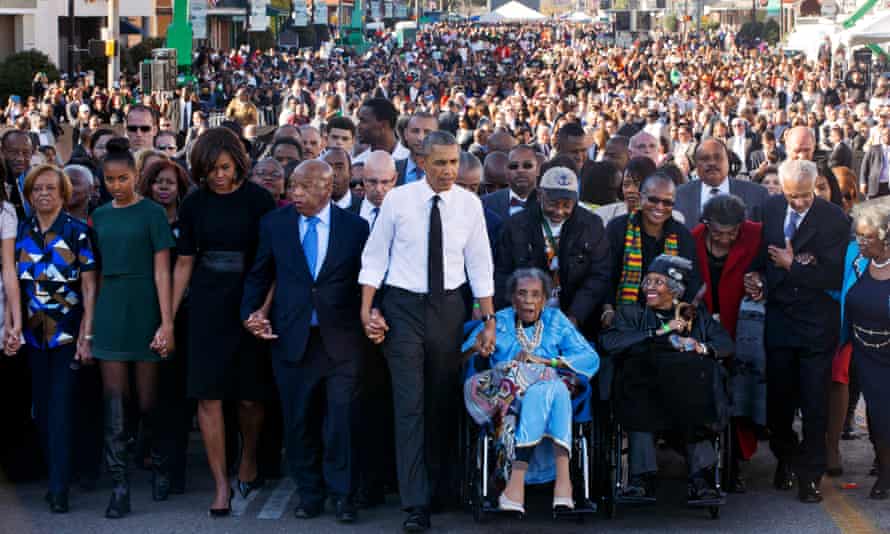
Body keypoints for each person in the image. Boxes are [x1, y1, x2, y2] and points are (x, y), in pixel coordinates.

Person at [358, 131, 496, 532]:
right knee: (409, 404)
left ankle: (440, 487)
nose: (448, 170)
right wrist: (368, 309)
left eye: (454, 162)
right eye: (440, 162)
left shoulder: (469, 205)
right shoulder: (399, 201)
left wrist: (488, 319)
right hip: (402, 308)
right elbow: (375, 257)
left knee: (441, 399)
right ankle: (414, 503)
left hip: (448, 309)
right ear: (421, 162)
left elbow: (480, 265)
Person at [242, 160, 370, 523]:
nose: (294, 193)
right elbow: (259, 274)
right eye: (292, 185)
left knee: (340, 422)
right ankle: (309, 493)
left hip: (341, 341)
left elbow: (368, 280)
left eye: (304, 187)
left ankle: (343, 495)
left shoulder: (355, 228)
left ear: (327, 188)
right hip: (291, 339)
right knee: (299, 423)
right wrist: (251, 313)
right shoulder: (274, 225)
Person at [171, 127, 276, 516]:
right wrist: (168, 319)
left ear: (238, 164)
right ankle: (220, 485)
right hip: (206, 304)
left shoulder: (260, 201)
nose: (218, 175)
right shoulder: (194, 204)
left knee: (250, 396)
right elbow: (183, 262)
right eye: (211, 169)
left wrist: (263, 309)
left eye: (225, 167)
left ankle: (248, 458)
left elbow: (272, 263)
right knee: (208, 395)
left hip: (249, 298)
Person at [744, 158, 849, 504]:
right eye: (792, 196)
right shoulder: (772, 208)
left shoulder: (834, 219)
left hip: (817, 324)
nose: (798, 202)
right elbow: (763, 256)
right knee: (779, 402)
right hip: (780, 321)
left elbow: (834, 277)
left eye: (804, 196)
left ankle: (811, 475)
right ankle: (786, 458)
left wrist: (792, 267)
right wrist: (758, 278)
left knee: (815, 403)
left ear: (816, 186)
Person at [463, 268, 599, 514]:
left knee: (549, 387)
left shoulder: (556, 320)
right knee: (552, 388)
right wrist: (478, 347)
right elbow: (466, 354)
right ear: (512, 298)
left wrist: (546, 362)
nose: (528, 300)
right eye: (522, 294)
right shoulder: (499, 322)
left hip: (549, 393)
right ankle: (563, 484)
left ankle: (515, 487)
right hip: (509, 398)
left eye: (535, 294)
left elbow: (589, 357)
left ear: (545, 299)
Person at [600, 255, 734, 502]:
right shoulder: (631, 314)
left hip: (687, 395)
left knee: (698, 395)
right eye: (647, 281)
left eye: (658, 282)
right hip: (645, 391)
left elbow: (725, 344)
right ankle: (641, 478)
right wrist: (659, 331)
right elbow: (611, 343)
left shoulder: (696, 316)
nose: (649, 286)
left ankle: (700, 478)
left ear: (674, 291)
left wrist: (699, 346)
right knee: (637, 395)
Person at [90, 139, 175, 518]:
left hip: (145, 305)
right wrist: (88, 328)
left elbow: (163, 271)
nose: (116, 185)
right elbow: (92, 273)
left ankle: (158, 464)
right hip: (110, 308)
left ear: (136, 176)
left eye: (123, 178)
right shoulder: (100, 215)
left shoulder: (153, 214)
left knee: (147, 401)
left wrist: (166, 322)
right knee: (114, 403)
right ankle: (119, 485)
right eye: (109, 179)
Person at [13, 166, 84, 512]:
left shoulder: (77, 232)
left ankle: (60, 487)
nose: (43, 194)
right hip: (31, 337)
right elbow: (15, 284)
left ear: (63, 193)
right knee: (41, 411)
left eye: (50, 188)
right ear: (28, 195)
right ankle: (54, 476)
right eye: (37, 189)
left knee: (61, 411)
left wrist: (87, 334)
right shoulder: (21, 232)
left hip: (67, 334)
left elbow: (90, 287)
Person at [691, 194, 764, 493]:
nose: (727, 238)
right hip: (704, 326)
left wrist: (762, 281)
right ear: (706, 225)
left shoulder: (755, 234)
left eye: (733, 231)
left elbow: (770, 266)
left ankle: (738, 462)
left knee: (742, 391)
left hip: (743, 325)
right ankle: (703, 460)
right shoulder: (693, 239)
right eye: (719, 232)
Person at [494, 166, 610, 336]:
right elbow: (502, 274)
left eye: (567, 205)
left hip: (576, 316)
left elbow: (599, 274)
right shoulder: (516, 225)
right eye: (553, 204)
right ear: (541, 195)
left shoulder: (591, 225)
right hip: (524, 316)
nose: (559, 211)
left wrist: (575, 316)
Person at [138, 157, 193, 497]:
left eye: (170, 182)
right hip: (146, 314)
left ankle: (173, 471)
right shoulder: (140, 219)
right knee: (152, 398)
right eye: (157, 181)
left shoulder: (189, 222)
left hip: (184, 318)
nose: (163, 187)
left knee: (177, 397)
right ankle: (155, 460)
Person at [602, 173, 699, 327]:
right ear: (641, 197)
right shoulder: (617, 228)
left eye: (667, 202)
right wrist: (608, 310)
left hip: (666, 321)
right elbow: (605, 274)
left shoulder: (683, 236)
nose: (660, 207)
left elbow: (692, 281)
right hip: (622, 318)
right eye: (653, 199)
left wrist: (681, 316)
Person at [840, 198, 890, 499]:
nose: (860, 241)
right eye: (857, 234)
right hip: (864, 352)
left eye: (867, 236)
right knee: (877, 415)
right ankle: (885, 471)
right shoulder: (856, 260)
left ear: (886, 236)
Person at [673, 139, 769, 229]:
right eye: (705, 158)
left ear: (728, 161)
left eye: (718, 157)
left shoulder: (757, 194)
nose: (712, 163)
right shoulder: (679, 195)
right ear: (696, 165)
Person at [482, 144, 539, 222]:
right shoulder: (486, 203)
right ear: (506, 171)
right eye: (514, 166)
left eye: (527, 165)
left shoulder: (552, 202)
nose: (520, 170)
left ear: (537, 170)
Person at [594, 157, 657, 226]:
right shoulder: (601, 215)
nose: (630, 190)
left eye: (637, 185)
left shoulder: (664, 217)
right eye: (626, 184)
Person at [396, 113, 439, 185]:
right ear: (405, 134)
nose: (420, 138)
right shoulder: (392, 170)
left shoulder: (448, 173)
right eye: (415, 131)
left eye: (427, 132)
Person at [359, 150, 396, 229]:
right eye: (372, 182)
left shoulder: (405, 214)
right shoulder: (347, 214)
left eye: (385, 182)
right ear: (363, 178)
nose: (378, 189)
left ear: (394, 179)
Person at [323, 147, 360, 212]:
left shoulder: (363, 208)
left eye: (339, 167)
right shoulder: (310, 208)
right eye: (327, 167)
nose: (333, 173)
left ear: (350, 172)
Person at [859, 125, 890, 199]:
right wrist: (862, 182)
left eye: (889, 134)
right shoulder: (874, 149)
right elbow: (864, 166)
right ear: (881, 136)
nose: (888, 136)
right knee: (873, 208)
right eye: (885, 134)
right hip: (875, 185)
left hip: (888, 185)